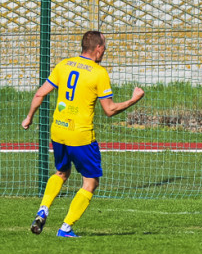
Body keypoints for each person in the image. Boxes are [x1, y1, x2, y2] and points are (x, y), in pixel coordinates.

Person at [21, 30, 145, 237]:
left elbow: (39, 93)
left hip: (58, 130)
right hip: (80, 136)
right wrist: (134, 99)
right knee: (91, 182)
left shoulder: (64, 65)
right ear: (98, 49)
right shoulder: (98, 73)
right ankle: (65, 228)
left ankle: (43, 209)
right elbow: (109, 110)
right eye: (104, 47)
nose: (105, 51)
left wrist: (29, 117)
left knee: (61, 173)